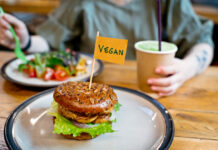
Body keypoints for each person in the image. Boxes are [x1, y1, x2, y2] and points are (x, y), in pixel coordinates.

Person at [0, 0, 214, 96]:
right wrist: (24, 41)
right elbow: (51, 42)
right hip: (91, 90)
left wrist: (187, 68)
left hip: (154, 94)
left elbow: (202, 41)